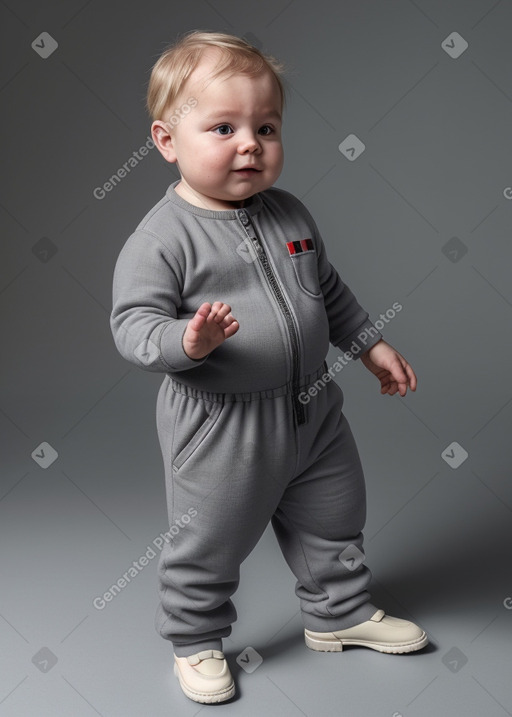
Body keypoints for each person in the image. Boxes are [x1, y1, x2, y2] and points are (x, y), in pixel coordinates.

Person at [110, 30, 428, 705]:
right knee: (210, 538)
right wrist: (186, 344)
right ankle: (195, 639)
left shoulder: (290, 214)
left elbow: (328, 292)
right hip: (222, 427)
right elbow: (132, 327)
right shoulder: (163, 237)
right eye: (223, 127)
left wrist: (371, 345)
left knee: (335, 513)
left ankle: (338, 611)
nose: (249, 142)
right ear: (167, 141)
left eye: (266, 126)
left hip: (313, 408)